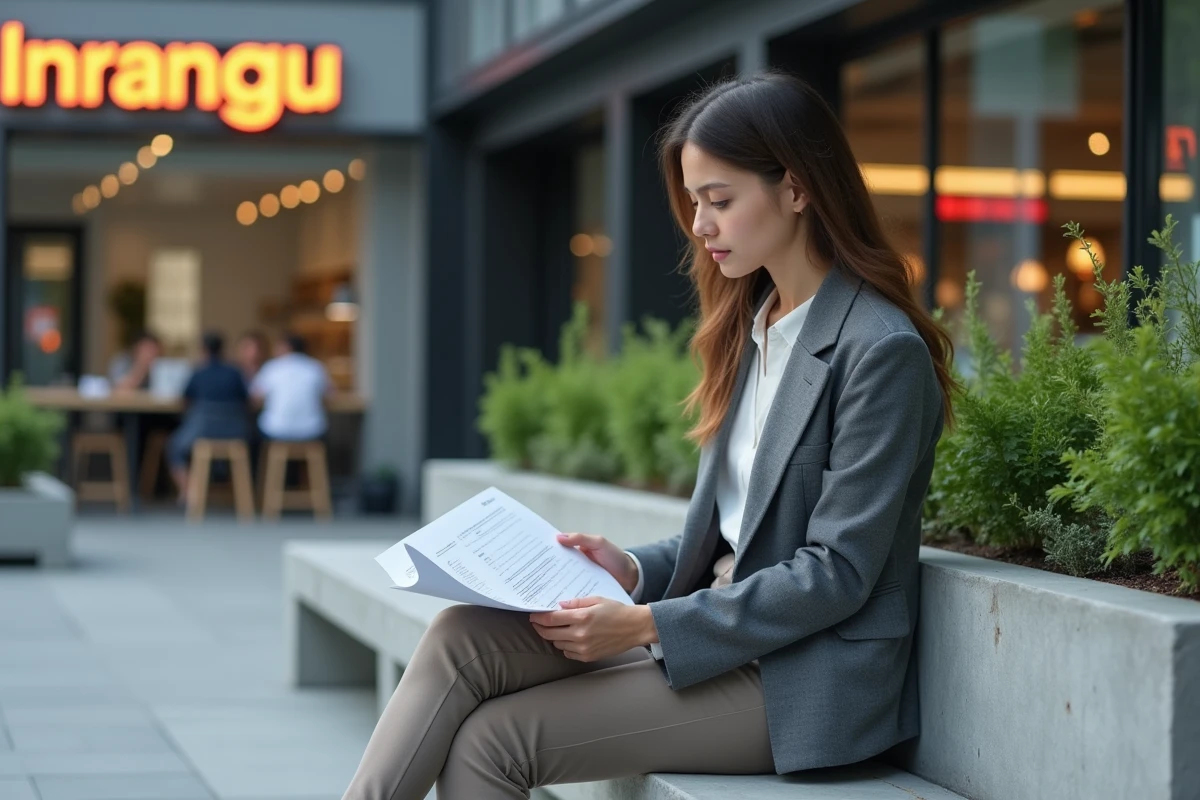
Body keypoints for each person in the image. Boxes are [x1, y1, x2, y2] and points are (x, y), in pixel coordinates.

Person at [341, 72, 958, 799]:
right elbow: (737, 537)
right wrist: (629, 569)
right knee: (460, 636)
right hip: (716, 634)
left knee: (493, 742)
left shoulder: (878, 349)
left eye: (720, 201)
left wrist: (642, 625)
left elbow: (837, 574)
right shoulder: (751, 327)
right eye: (695, 203)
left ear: (796, 189)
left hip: (799, 677)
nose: (700, 226)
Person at [167, 332, 250, 504]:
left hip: (202, 431)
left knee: (174, 446)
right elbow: (246, 401)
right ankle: (247, 496)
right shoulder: (235, 372)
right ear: (223, 350)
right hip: (236, 433)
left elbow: (184, 400)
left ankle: (188, 491)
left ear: (203, 350)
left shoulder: (198, 373)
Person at [249, 334, 333, 442]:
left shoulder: (272, 367)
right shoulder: (316, 367)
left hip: (276, 429)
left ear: (286, 347)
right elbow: (329, 395)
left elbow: (256, 398)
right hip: (311, 429)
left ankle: (265, 459)